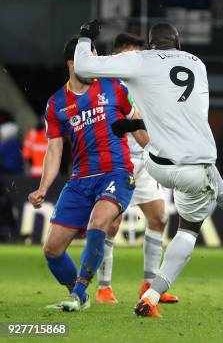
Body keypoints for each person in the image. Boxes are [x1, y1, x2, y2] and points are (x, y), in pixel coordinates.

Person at [74, 20, 223, 317]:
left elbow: (83, 67)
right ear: (179, 44)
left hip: (156, 162)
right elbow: (178, 110)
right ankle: (152, 292)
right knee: (189, 227)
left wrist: (86, 37)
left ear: (150, 45)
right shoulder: (197, 64)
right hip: (193, 167)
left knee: (181, 194)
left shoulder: (140, 59)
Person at [27, 35, 146, 312]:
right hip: (80, 180)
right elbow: (54, 150)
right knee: (52, 251)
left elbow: (137, 121)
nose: (94, 64)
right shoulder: (56, 103)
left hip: (116, 172)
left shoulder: (114, 86)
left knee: (98, 223)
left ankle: (79, 292)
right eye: (87, 59)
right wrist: (43, 187)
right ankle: (78, 292)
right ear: (73, 63)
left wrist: (159, 149)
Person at [94, 33, 178, 305]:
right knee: (112, 223)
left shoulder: (143, 83)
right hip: (118, 161)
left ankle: (149, 285)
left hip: (144, 160)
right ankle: (104, 287)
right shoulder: (106, 85)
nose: (136, 61)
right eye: (131, 55)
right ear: (117, 56)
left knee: (159, 218)